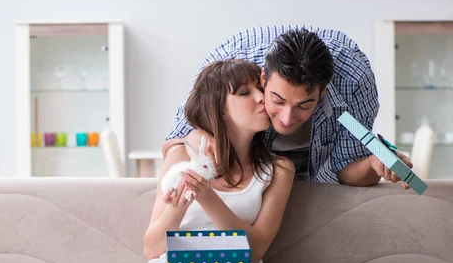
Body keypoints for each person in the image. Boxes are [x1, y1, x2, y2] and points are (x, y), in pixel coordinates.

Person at [133, 59, 295, 263]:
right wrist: (182, 201)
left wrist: (208, 197)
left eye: (261, 89)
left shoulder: (278, 170)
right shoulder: (181, 156)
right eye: (247, 92)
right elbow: (152, 247)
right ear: (221, 109)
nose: (263, 98)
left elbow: (257, 249)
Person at [164, 25, 412, 188]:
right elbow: (175, 143)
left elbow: (345, 169)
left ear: (322, 91)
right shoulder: (231, 65)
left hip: (317, 178)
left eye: (304, 105)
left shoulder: (354, 80)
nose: (286, 118)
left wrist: (372, 164)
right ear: (263, 79)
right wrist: (202, 140)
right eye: (278, 101)